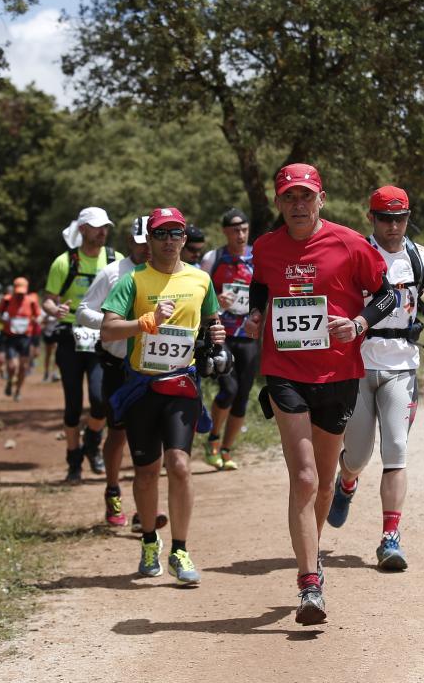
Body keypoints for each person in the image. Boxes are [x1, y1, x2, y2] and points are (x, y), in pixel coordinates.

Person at [245, 164, 395, 625]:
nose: (298, 204)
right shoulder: (266, 247)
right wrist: (255, 315)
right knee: (305, 477)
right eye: (289, 197)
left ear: (321, 199)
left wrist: (358, 323)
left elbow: (386, 294)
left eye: (305, 196)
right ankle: (309, 583)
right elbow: (261, 287)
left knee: (325, 482)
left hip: (338, 371)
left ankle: (315, 552)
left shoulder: (350, 243)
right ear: (279, 203)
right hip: (285, 371)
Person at [327, 186, 424, 570]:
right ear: (372, 218)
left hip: (403, 365)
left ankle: (390, 539)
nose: (394, 226)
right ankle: (347, 481)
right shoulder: (353, 253)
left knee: (396, 450)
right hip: (358, 364)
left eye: (400, 218)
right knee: (359, 454)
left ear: (408, 217)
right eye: (386, 218)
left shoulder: (422, 258)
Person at [101, 207, 225, 585]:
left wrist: (217, 336)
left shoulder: (201, 279)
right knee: (146, 469)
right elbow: (108, 331)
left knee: (181, 464)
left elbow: (212, 321)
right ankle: (150, 540)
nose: (169, 240)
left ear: (185, 239)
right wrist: (144, 322)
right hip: (142, 387)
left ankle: (181, 549)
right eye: (161, 234)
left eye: (176, 233)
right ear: (149, 241)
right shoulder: (133, 281)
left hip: (181, 385)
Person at [77, 215, 160, 527]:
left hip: (153, 367)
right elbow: (83, 311)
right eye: (140, 244)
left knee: (152, 438)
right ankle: (112, 489)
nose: (146, 250)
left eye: (150, 242)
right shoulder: (113, 273)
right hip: (118, 366)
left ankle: (145, 509)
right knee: (119, 433)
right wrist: (114, 325)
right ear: (130, 242)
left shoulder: (165, 273)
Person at [43, 207, 123, 484]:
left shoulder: (115, 259)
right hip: (70, 335)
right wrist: (54, 310)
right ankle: (73, 460)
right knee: (73, 406)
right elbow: (49, 298)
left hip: (103, 335)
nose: (103, 232)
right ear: (83, 229)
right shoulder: (64, 263)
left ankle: (92, 441)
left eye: (106, 227)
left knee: (101, 400)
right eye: (97, 227)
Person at [200, 207, 258, 470]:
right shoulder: (214, 258)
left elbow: (266, 291)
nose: (241, 235)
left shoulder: (257, 257)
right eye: (235, 230)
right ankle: (212, 440)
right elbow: (198, 291)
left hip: (247, 334)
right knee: (228, 389)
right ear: (225, 232)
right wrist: (215, 299)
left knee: (243, 395)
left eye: (244, 229)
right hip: (220, 332)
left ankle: (227, 449)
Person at [0, 277, 41, 402]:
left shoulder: (31, 301)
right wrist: (3, 319)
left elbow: (38, 316)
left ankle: (18, 391)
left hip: (25, 337)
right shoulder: (6, 300)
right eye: (17, 293)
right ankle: (9, 381)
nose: (20, 295)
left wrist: (35, 321)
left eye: (22, 293)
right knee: (12, 366)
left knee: (23, 367)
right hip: (10, 336)